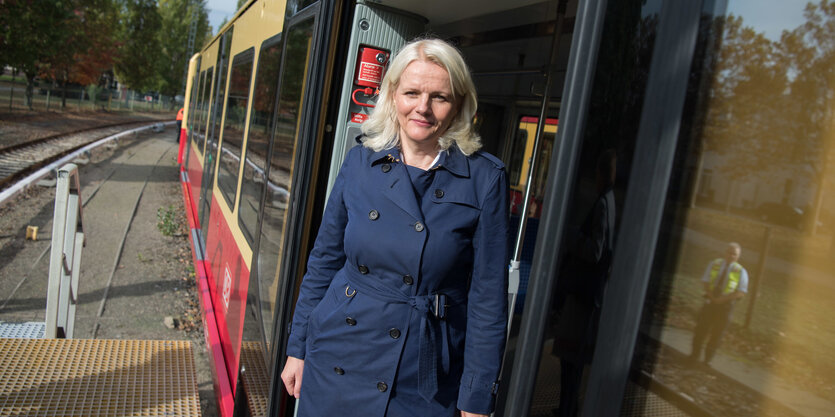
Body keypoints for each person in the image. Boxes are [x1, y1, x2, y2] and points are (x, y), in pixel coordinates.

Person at [280, 38, 509, 417]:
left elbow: (488, 300)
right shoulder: (360, 162)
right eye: (412, 92)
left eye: (440, 96)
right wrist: (297, 346)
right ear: (392, 95)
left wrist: (477, 397)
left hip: (423, 375)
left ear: (458, 105)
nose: (423, 107)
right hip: (338, 356)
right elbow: (323, 262)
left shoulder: (484, 178)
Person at [551, 149, 616, 417]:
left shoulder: (602, 204)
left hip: (583, 292)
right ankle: (568, 406)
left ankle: (568, 408)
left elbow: (595, 250)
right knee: (573, 357)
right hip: (590, 291)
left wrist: (574, 237)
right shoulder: (610, 202)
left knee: (571, 356)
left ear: (601, 175)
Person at [689, 242, 748, 365]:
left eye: (734, 254)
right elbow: (705, 281)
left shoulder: (741, 271)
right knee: (701, 330)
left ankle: (707, 361)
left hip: (726, 306)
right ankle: (694, 356)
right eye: (729, 252)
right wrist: (712, 297)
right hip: (710, 302)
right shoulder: (714, 264)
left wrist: (723, 299)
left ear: (738, 256)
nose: (731, 256)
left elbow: (741, 292)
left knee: (717, 334)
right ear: (725, 252)